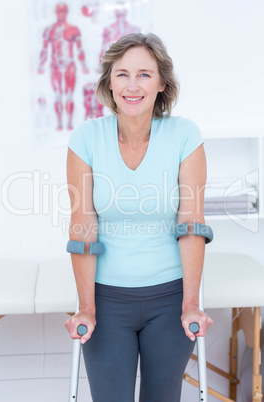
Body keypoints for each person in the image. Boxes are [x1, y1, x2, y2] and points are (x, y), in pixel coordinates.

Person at [64, 32, 213, 402]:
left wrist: (191, 304)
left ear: (162, 83)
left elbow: (191, 222)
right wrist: (86, 308)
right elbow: (83, 224)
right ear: (109, 83)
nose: (133, 85)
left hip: (169, 299)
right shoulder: (86, 138)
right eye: (122, 74)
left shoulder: (184, 135)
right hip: (107, 301)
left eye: (145, 74)